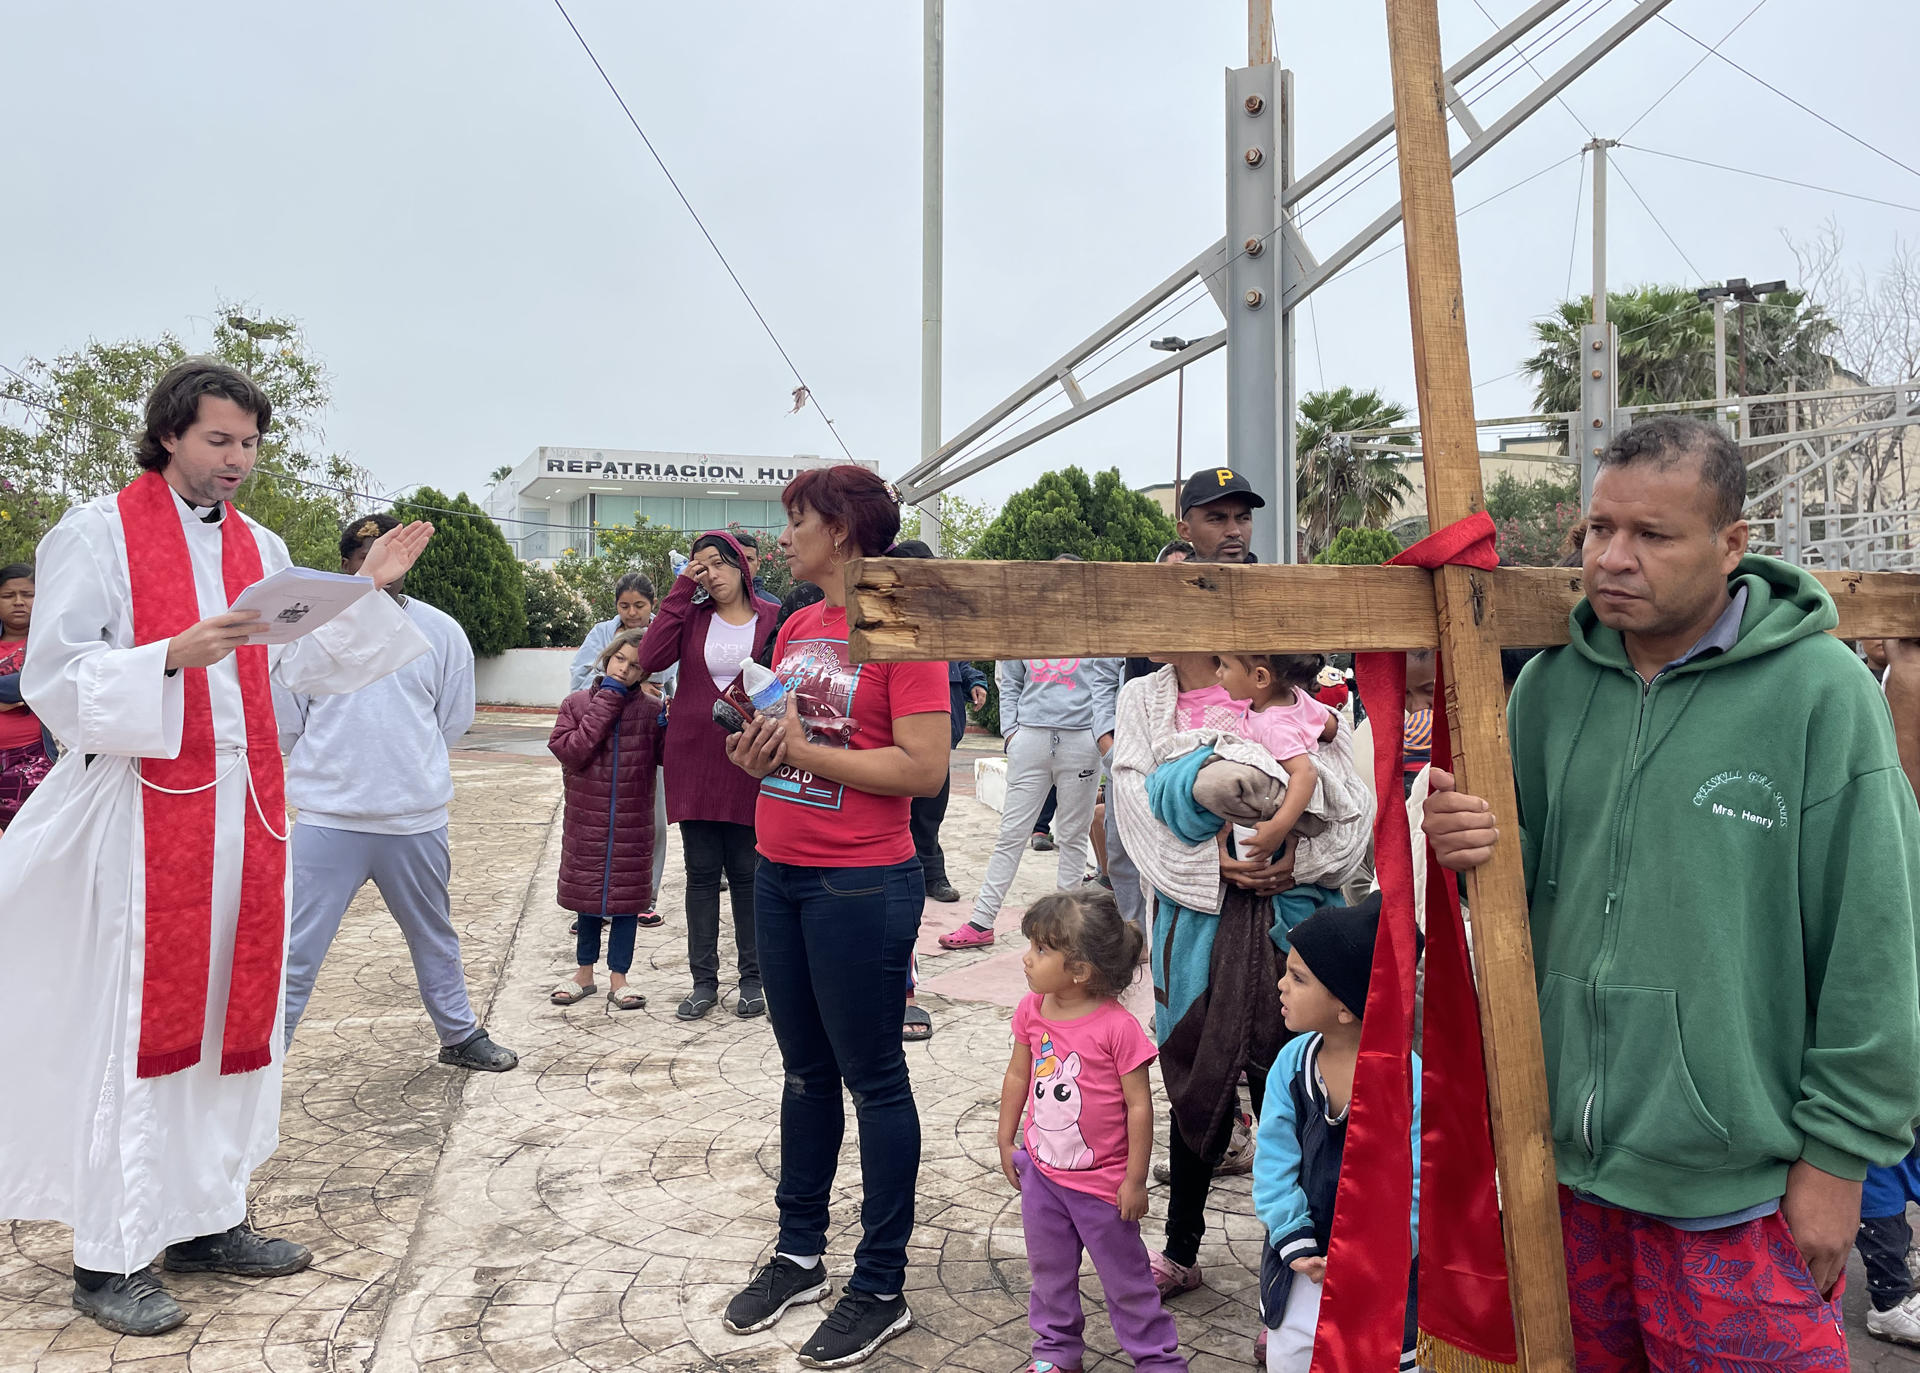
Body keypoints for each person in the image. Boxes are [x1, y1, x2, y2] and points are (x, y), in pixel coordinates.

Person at [1425, 416, 1920, 1366]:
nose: (1612, 558)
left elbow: (1877, 940)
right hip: (1564, 1179)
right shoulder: (1550, 688)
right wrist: (1466, 843)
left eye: (1652, 535)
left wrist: (1837, 1161)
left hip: (1740, 1189)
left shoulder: (1820, 692)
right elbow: (1522, 898)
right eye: (1598, 529)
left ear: (1734, 544)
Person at [0, 359, 434, 1336]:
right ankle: (109, 1256)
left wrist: (363, 592)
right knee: (138, 1025)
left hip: (246, 810)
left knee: (228, 1019)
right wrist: (166, 655)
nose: (237, 459)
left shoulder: (261, 544)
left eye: (249, 443)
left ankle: (206, 1216)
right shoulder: (97, 532)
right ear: (168, 435)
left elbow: (311, 665)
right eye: (219, 440)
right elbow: (53, 676)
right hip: (142, 815)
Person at [719, 465, 949, 1367]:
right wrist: (759, 753)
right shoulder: (801, 622)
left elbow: (923, 768)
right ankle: (798, 1252)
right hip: (780, 869)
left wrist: (809, 748)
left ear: (845, 530)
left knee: (874, 1078)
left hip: (861, 882)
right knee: (805, 1073)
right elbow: (796, 748)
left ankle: (881, 1283)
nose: (785, 539)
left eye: (798, 521)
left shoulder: (903, 627)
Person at [277, 515, 516, 1071]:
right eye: (364, 552)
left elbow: (452, 721)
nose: (378, 562)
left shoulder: (442, 632)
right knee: (292, 951)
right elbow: (287, 722)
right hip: (328, 818)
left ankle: (459, 1036)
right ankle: (264, 1058)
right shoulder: (310, 631)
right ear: (345, 564)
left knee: (434, 935)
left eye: (388, 551)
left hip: (414, 818)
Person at [996, 887, 1189, 1373]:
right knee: (1050, 1274)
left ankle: (1157, 1358)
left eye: (1041, 949)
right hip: (1042, 1178)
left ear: (1079, 971)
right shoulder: (1032, 1009)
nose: (1028, 958)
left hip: (1104, 1188)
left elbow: (1139, 1107)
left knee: (1126, 1280)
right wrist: (1006, 1137)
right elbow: (1019, 1074)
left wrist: (1135, 1179)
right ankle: (1055, 1354)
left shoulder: (1118, 1028)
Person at [1252, 895, 1419, 1372]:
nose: (1281, 985)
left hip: (1380, 1274)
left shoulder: (1409, 1085)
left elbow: (1419, 1186)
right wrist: (1294, 1237)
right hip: (1301, 1262)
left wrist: (1373, 1254)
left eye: (1298, 977)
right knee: (1295, 1355)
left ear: (1347, 1006)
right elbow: (1274, 1163)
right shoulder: (1292, 1063)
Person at [638, 531, 777, 1019]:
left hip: (751, 757)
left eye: (718, 563)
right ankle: (702, 982)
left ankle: (754, 980)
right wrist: (680, 589)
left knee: (747, 872)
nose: (709, 573)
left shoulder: (773, 620)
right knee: (699, 874)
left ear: (742, 566)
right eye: (699, 565)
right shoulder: (690, 616)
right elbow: (651, 659)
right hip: (692, 756)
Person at [938, 630, 1121, 949]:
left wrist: (1100, 732)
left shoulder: (1095, 623)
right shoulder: (1022, 627)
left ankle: (1067, 929)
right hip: (1030, 740)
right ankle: (982, 920)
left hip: (1082, 741)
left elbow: (1108, 681)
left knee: (1072, 836)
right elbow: (1009, 681)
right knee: (1010, 834)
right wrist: (1011, 734)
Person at [547, 627, 665, 1011]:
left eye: (634, 666)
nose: (624, 669)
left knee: (627, 900)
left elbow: (671, 757)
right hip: (587, 819)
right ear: (607, 655)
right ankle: (584, 973)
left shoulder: (651, 712)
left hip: (633, 821)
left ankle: (620, 978)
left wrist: (669, 718)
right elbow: (572, 751)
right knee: (588, 898)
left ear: (644, 673)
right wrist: (609, 699)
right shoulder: (576, 704)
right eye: (619, 659)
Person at [888, 539, 990, 906]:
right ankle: (908, 874)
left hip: (940, 728)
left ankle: (933, 874)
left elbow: (958, 660)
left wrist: (975, 680)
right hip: (896, 730)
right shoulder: (884, 618)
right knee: (897, 809)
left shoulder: (944, 616)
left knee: (931, 808)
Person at [570, 572, 671, 927]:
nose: (632, 613)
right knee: (596, 823)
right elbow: (578, 679)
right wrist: (612, 684)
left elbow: (682, 682)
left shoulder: (667, 632)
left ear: (652, 604)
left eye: (639, 605)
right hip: (602, 737)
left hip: (646, 736)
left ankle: (646, 897)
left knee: (651, 822)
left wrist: (660, 696)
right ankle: (593, 906)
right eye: (624, 606)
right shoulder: (600, 633)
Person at [0, 561, 54, 829]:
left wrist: (22, 688)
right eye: (8, 596)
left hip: (33, 758)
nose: (19, 602)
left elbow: (37, 680)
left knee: (27, 835)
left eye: (28, 594)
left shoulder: (52, 642)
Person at [736, 530, 782, 608]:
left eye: (749, 559)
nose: (744, 564)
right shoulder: (713, 603)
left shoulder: (773, 605)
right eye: (738, 559)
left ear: (758, 564)